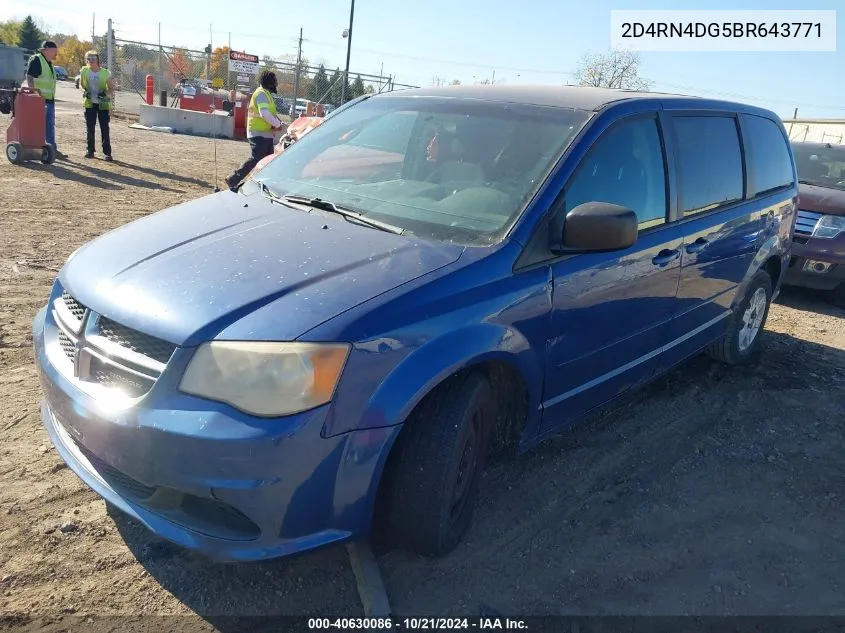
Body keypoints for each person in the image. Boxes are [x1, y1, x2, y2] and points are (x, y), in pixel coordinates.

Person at [226, 70, 285, 191]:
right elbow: (264, 114)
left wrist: (279, 123)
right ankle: (233, 179)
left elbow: (271, 114)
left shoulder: (266, 94)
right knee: (256, 158)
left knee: (268, 161)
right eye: (275, 82)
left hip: (265, 134)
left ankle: (263, 185)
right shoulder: (261, 94)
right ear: (270, 83)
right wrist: (278, 124)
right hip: (258, 133)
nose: (276, 84)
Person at [25, 40, 65, 159]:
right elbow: (29, 76)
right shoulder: (37, 60)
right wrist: (33, 93)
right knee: (38, 125)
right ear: (46, 49)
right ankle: (36, 150)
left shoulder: (49, 63)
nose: (56, 53)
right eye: (54, 51)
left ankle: (51, 150)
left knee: (49, 125)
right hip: (39, 100)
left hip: (49, 100)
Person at [79, 50, 115, 161]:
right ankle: (90, 150)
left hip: (102, 104)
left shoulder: (105, 73)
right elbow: (81, 85)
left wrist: (105, 94)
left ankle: (107, 153)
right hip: (90, 103)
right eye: (88, 59)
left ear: (97, 60)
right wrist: (84, 92)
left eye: (93, 59)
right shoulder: (84, 71)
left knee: (104, 128)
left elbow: (111, 88)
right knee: (90, 128)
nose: (91, 61)